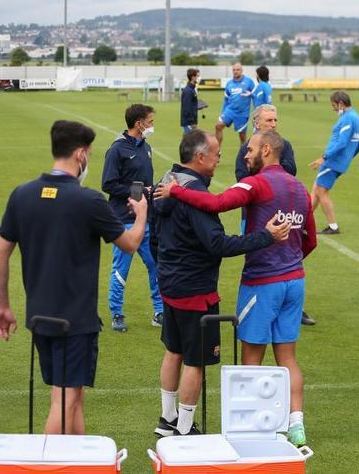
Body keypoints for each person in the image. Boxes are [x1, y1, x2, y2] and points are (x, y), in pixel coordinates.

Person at [155, 130, 317, 446]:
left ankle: (249, 429)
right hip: (294, 281)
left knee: (251, 358)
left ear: (267, 150)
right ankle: (297, 425)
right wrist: (290, 259)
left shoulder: (256, 183)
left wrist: (176, 191)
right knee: (289, 357)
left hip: (262, 282)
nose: (244, 155)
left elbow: (217, 202)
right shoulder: (300, 187)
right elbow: (310, 239)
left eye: (251, 148)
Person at [0, 120, 147, 435]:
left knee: (71, 395)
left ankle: (80, 462)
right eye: (89, 152)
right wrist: (142, 214)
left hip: (39, 315)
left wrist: (2, 306)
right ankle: (50, 465)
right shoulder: (88, 201)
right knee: (64, 401)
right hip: (75, 321)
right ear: (80, 154)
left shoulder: (21, 195)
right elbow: (130, 244)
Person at [233, 104, 315, 325]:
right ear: (256, 123)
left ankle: (293, 306)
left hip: (283, 213)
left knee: (288, 255)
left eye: (275, 120)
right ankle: (256, 302)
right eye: (269, 120)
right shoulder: (246, 149)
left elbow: (291, 170)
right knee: (256, 255)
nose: (274, 124)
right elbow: (242, 179)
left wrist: (264, 177)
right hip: (254, 215)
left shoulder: (283, 145)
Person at [101, 103, 163, 332]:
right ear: (139, 123)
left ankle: (159, 311)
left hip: (146, 219)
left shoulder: (146, 147)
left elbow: (145, 185)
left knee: (155, 264)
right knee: (121, 269)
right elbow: (108, 184)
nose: (152, 126)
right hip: (124, 221)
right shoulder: (117, 149)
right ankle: (116, 313)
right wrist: (139, 192)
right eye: (151, 121)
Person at [309, 90, 359, 234]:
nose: (332, 108)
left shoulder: (347, 118)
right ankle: (303, 221)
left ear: (340, 104)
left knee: (321, 191)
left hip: (333, 161)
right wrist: (347, 159)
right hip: (339, 162)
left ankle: (333, 226)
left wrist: (324, 157)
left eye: (333, 105)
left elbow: (342, 143)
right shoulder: (357, 118)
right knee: (316, 189)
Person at [215, 62, 256, 146]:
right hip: (229, 111)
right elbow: (226, 99)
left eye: (238, 70)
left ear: (241, 71)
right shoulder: (229, 83)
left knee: (242, 136)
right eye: (234, 70)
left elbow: (255, 94)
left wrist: (252, 96)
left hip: (242, 113)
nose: (235, 71)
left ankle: (243, 154)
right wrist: (223, 112)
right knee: (218, 126)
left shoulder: (249, 82)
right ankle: (217, 150)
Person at [181, 68, 200, 134]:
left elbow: (191, 104)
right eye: (197, 76)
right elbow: (186, 108)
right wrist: (191, 123)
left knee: (189, 142)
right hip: (189, 123)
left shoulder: (192, 89)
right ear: (193, 77)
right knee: (192, 141)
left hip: (191, 122)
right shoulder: (188, 91)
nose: (198, 78)